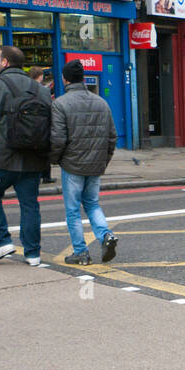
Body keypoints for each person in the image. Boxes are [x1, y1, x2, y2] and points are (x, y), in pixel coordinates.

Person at [0, 45, 50, 266]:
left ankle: (2, 241)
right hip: (33, 158)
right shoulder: (40, 89)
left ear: (5, 62)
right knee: (30, 204)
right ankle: (33, 253)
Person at [51, 59, 118, 266]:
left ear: (65, 79)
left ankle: (81, 252)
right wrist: (103, 161)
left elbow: (57, 139)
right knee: (92, 204)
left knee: (72, 211)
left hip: (72, 165)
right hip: (95, 165)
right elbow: (112, 137)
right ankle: (106, 236)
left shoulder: (60, 104)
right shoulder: (102, 102)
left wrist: (54, 160)